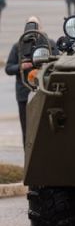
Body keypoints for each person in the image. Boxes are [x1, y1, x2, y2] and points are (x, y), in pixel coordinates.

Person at [4, 16, 44, 145]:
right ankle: (27, 155)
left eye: (35, 25)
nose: (32, 28)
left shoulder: (47, 43)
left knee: (42, 126)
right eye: (29, 24)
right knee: (26, 127)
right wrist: (21, 66)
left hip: (42, 91)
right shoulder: (18, 46)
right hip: (23, 92)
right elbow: (8, 68)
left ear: (40, 27)